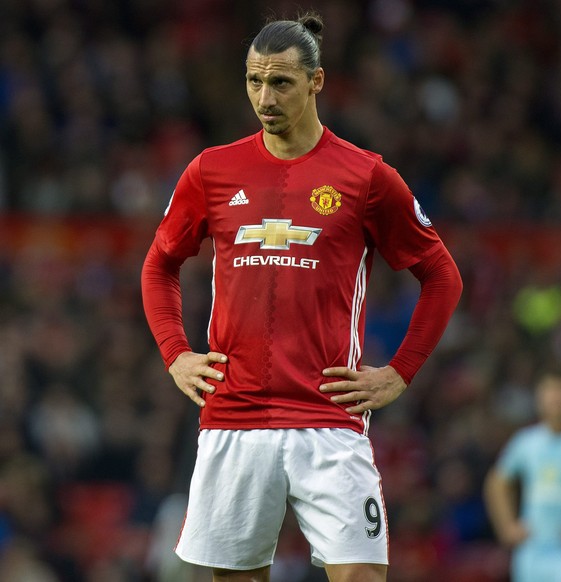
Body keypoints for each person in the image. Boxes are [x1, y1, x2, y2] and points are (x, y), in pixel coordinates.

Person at [141, 12, 462, 582]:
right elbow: (158, 265)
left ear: (317, 82)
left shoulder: (365, 176)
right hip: (234, 417)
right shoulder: (211, 171)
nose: (265, 96)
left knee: (362, 574)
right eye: (254, 81)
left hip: (329, 418)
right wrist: (175, 353)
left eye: (282, 82)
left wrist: (400, 373)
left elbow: (442, 275)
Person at [484, 371, 561, 582]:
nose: (556, 399)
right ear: (540, 397)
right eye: (551, 391)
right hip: (531, 553)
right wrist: (507, 527)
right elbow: (497, 482)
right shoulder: (526, 442)